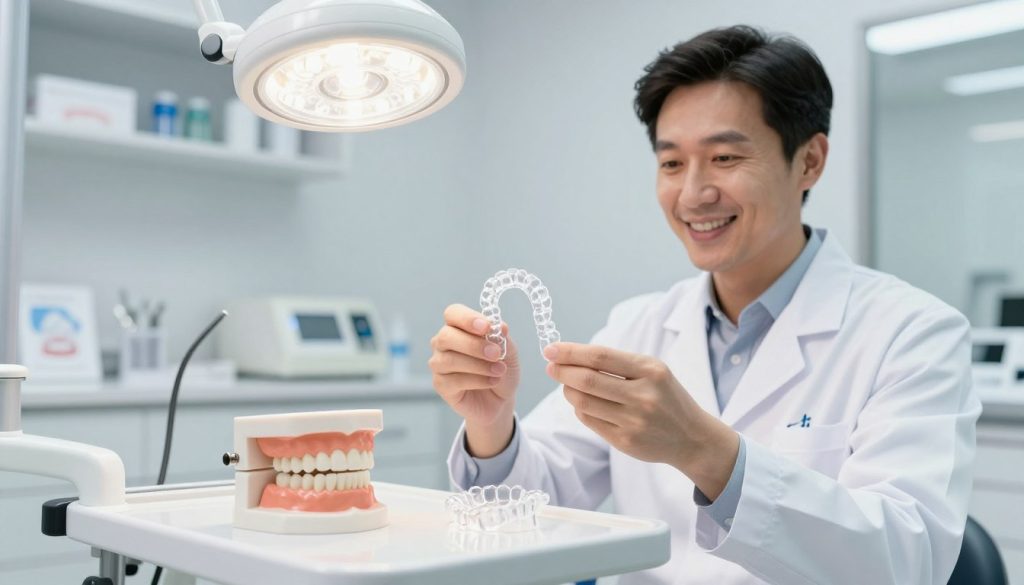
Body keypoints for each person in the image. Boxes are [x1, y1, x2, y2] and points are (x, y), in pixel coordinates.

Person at [428, 25, 979, 585]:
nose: (693, 194)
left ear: (809, 161)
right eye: (671, 164)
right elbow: (530, 507)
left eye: (723, 157)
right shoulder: (637, 326)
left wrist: (704, 450)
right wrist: (491, 422)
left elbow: (909, 559)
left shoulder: (912, 333)